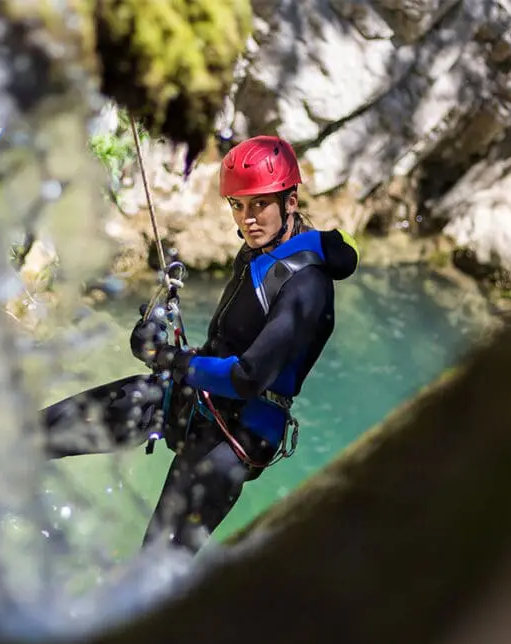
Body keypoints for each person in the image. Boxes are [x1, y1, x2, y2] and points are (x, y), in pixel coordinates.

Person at [41, 135, 360, 554]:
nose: (247, 218)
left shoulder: (307, 284)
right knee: (44, 432)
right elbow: (223, 346)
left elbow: (248, 377)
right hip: (197, 400)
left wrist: (170, 359)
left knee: (155, 566)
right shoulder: (257, 252)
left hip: (235, 439)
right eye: (238, 205)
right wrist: (163, 343)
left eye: (259, 204)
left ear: (291, 201)